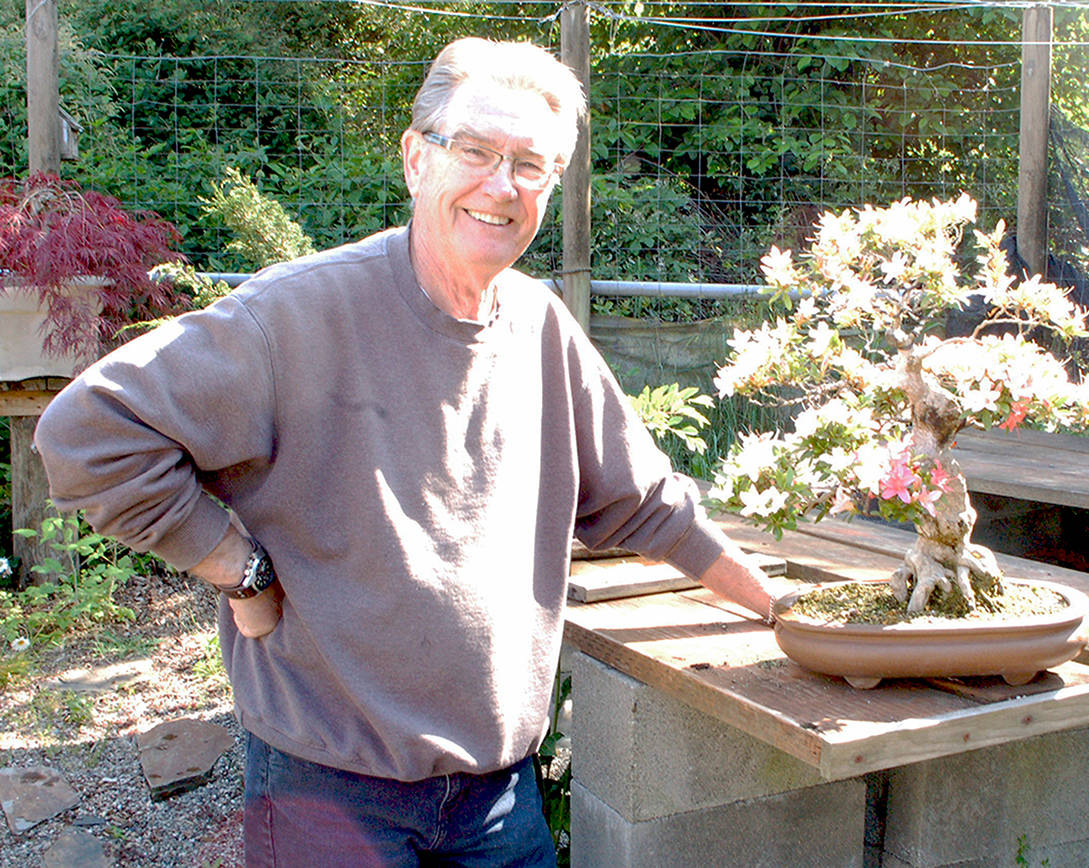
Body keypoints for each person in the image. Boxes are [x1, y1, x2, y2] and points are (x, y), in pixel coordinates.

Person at [34, 36, 776, 868]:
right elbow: (85, 436)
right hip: (329, 790)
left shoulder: (539, 328)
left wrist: (781, 610)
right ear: (416, 159)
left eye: (531, 164)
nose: (501, 185)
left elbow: (647, 502)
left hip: (499, 797)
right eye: (475, 150)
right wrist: (238, 568)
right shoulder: (295, 315)